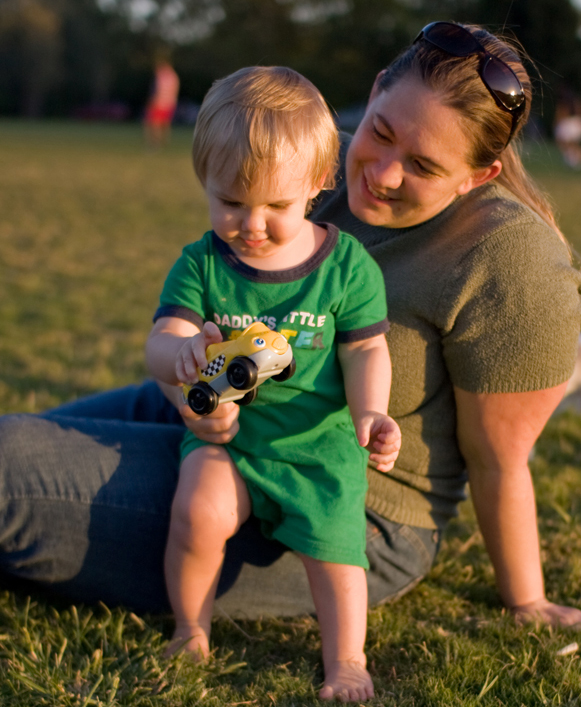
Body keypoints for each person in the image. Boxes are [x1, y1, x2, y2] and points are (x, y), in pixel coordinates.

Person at [0, 20, 581, 700]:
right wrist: (187, 391)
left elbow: (499, 458)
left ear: (480, 174)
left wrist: (526, 600)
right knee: (18, 442)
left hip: (341, 499)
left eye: (424, 166)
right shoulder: (312, 168)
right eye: (381, 132)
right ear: (375, 91)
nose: (380, 174)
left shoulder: (513, 263)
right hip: (219, 413)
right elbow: (201, 295)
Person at [146, 66, 401, 700]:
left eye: (276, 206)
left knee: (339, 555)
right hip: (228, 441)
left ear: (317, 185)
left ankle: (346, 661)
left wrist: (372, 414)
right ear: (204, 180)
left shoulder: (346, 266)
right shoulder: (202, 262)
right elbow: (161, 338)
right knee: (195, 511)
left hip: (319, 449)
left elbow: (368, 349)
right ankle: (190, 627)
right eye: (231, 202)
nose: (252, 224)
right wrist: (179, 358)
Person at [144, 58, 180, 149]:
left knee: (154, 123)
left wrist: (153, 101)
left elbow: (157, 90)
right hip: (170, 103)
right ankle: (165, 142)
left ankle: (156, 142)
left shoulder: (161, 77)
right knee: (166, 123)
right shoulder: (174, 76)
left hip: (159, 102)